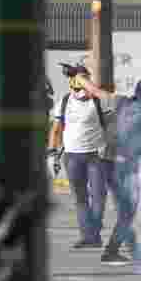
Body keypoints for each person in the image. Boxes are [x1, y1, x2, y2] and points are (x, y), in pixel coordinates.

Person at [73, 75, 141, 270]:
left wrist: (77, 75)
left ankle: (129, 247)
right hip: (125, 167)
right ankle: (113, 250)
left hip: (107, 162)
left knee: (124, 208)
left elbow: (94, 90)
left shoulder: (120, 101)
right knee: (128, 209)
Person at [48, 65, 110, 250]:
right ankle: (88, 236)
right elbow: (56, 129)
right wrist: (52, 154)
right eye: (76, 86)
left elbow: (111, 124)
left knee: (99, 195)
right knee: (80, 198)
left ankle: (94, 232)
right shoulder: (65, 101)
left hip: (95, 155)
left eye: (83, 85)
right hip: (72, 156)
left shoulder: (98, 102)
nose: (80, 90)